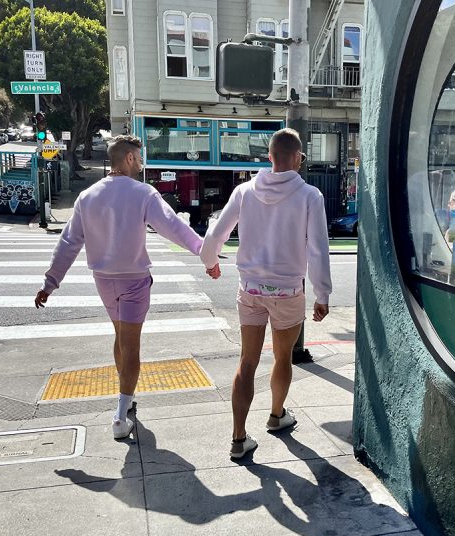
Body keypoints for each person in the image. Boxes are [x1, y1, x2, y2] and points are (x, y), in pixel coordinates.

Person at [34, 135, 215, 440]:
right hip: (134, 281)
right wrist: (205, 253)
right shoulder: (143, 193)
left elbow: (68, 242)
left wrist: (50, 283)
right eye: (139, 158)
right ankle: (120, 416)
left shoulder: (88, 196)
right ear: (129, 158)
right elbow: (173, 227)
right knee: (131, 345)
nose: (141, 164)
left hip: (103, 280)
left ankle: (125, 399)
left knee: (120, 338)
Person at [200, 128, 332, 459]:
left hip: (250, 289)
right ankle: (276, 416)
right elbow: (318, 249)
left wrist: (211, 262)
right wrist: (323, 294)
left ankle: (239, 437)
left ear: (269, 156)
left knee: (247, 361)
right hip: (288, 291)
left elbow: (216, 233)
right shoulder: (310, 196)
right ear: (299, 160)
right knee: (282, 357)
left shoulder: (244, 192)